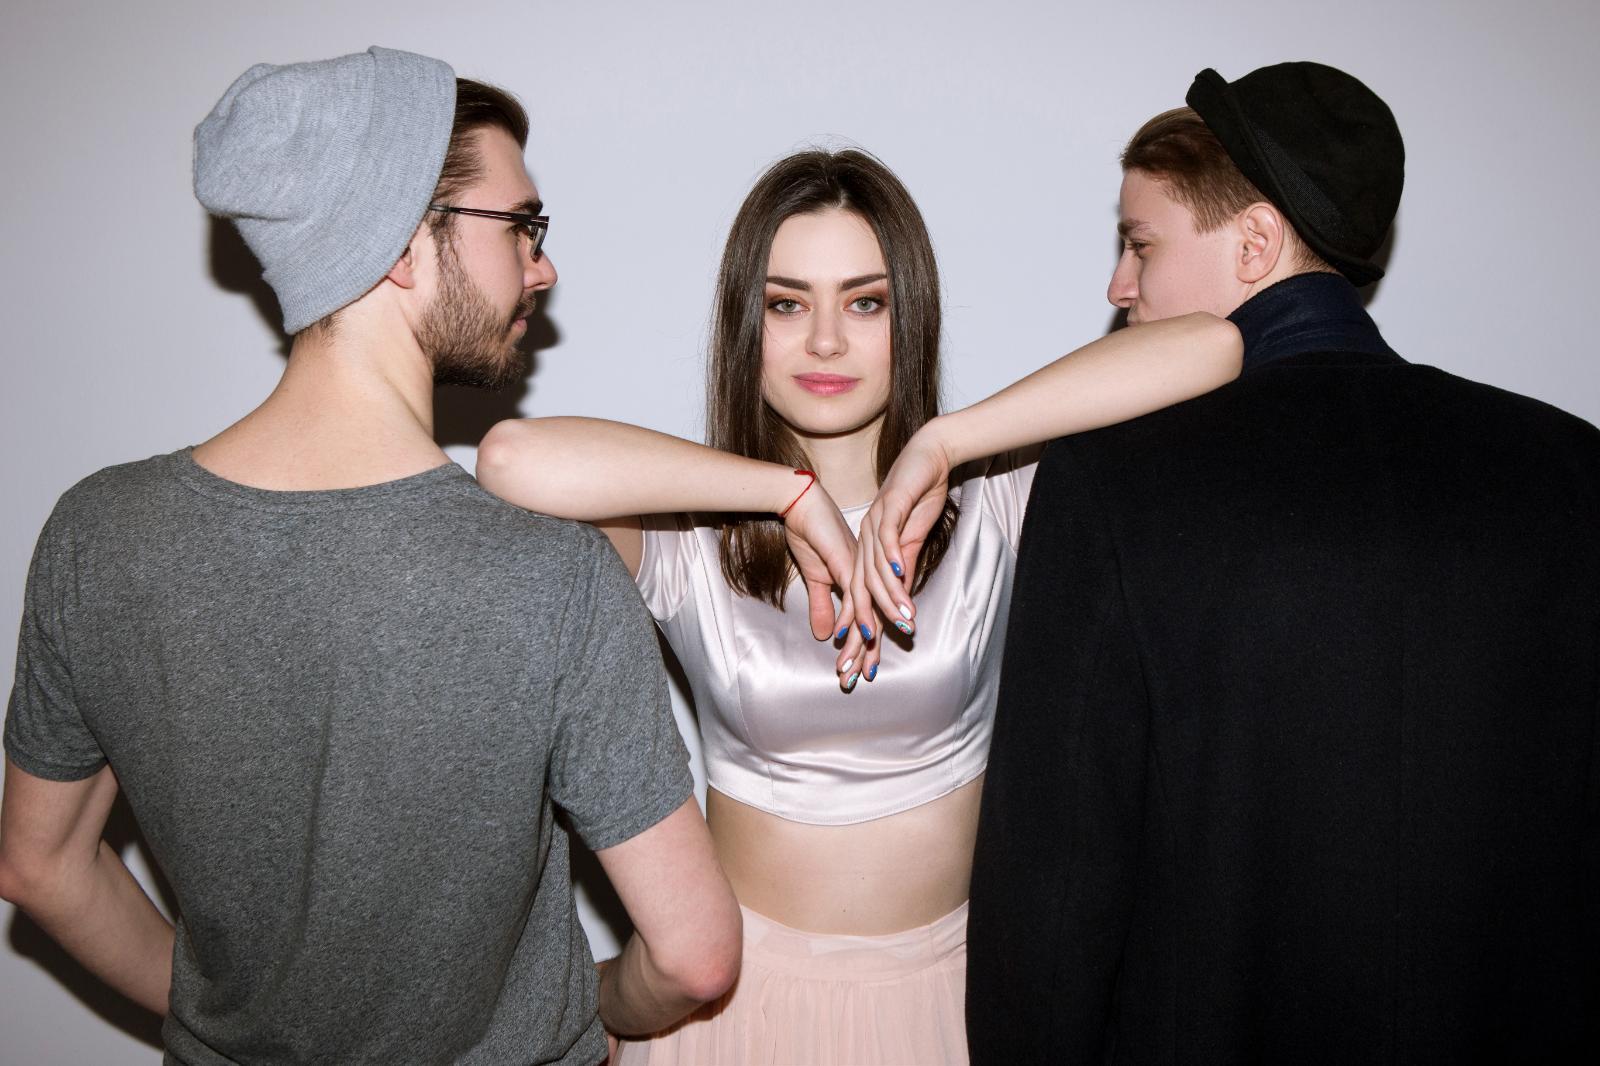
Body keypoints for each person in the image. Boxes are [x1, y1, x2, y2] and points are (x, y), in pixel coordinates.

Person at [0, 47, 739, 1065]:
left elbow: (37, 866)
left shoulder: (96, 536)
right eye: (520, 225)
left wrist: (235, 1017)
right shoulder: (549, 572)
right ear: (402, 243)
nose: (542, 265)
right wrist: (593, 1001)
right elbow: (696, 957)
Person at [475, 148, 1241, 1063]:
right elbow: (510, 460)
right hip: (737, 1014)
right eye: (787, 304)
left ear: (910, 317)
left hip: (955, 999)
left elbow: (1213, 345)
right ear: (746, 323)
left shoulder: (994, 498)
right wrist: (784, 495)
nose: (827, 342)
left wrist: (947, 444)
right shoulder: (688, 536)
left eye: (866, 303)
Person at [951, 62, 1600, 1062]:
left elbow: (1053, 905)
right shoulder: (1572, 472)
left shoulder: (1113, 483)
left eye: (1139, 244)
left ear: (1254, 243)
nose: (1118, 286)